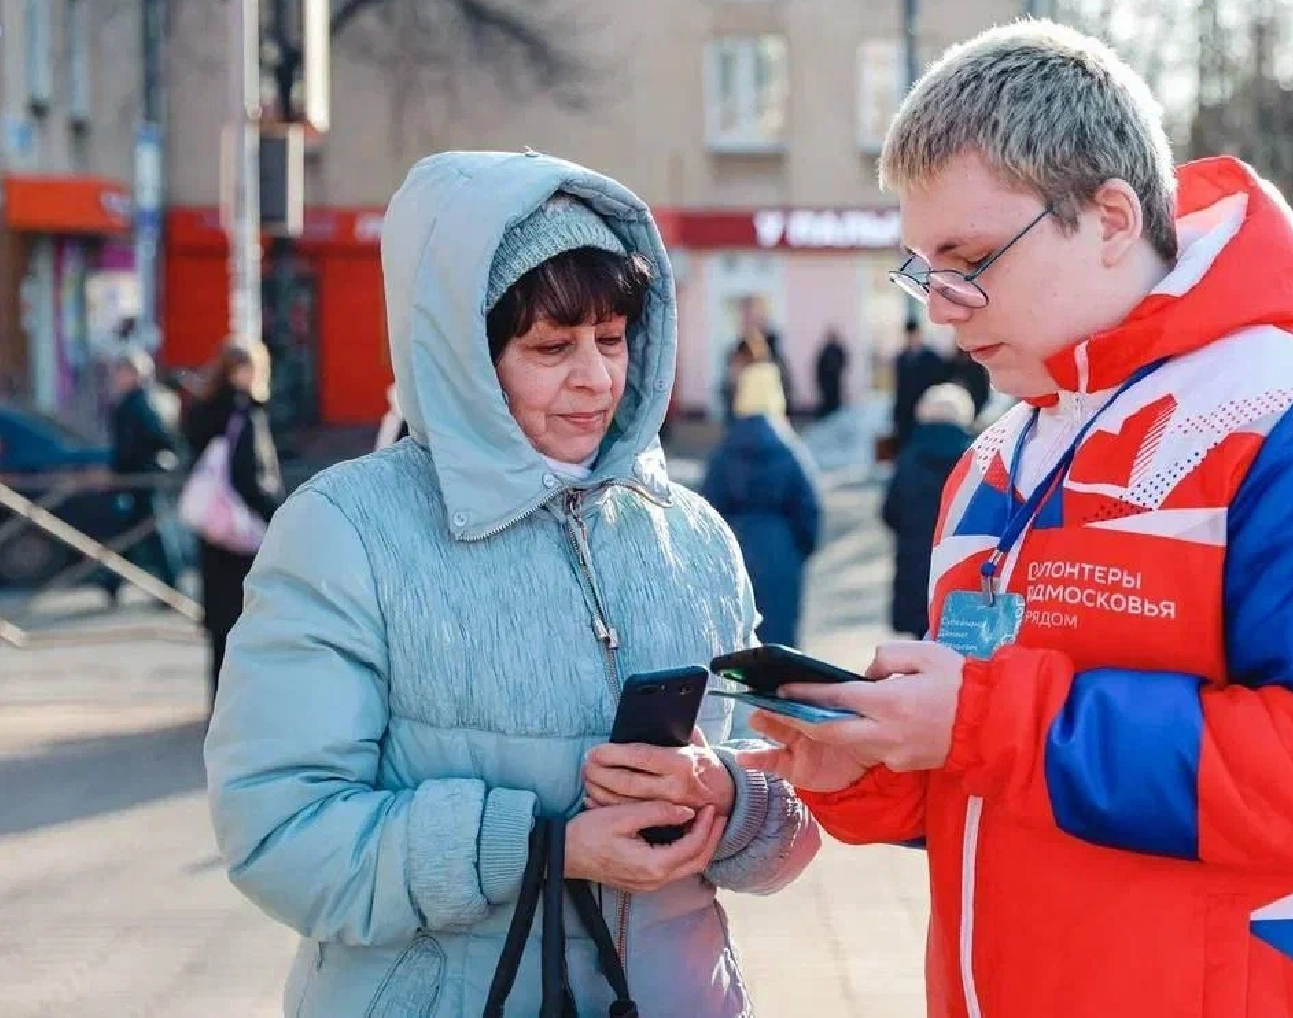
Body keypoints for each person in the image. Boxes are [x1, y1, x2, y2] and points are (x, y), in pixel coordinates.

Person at [738, 21, 1293, 1018]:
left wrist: (986, 719)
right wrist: (870, 767)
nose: (943, 306)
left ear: (1113, 217)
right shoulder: (997, 455)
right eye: (922, 269)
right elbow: (1004, 777)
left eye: (969, 258)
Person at [204, 151, 820, 1018]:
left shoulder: (692, 533)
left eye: (613, 340)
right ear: (462, 357)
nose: (597, 378)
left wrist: (725, 796)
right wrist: (544, 846)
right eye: (551, 347)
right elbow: (280, 836)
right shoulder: (347, 531)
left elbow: (790, 814)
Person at [181, 337, 281, 698]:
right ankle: (244, 709)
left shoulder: (203, 410)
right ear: (242, 371)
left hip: (213, 531)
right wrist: (277, 514)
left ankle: (219, 704)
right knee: (249, 620)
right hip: (243, 533)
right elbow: (250, 477)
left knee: (220, 629)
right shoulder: (244, 413)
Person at [702, 361, 822, 646]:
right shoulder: (791, 450)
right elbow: (810, 509)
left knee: (737, 641)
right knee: (781, 642)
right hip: (781, 551)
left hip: (734, 551)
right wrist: (795, 550)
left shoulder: (723, 452)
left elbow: (705, 511)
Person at [883, 382, 975, 638]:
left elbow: (890, 511)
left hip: (915, 564)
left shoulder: (909, 458)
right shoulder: (977, 458)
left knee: (919, 636)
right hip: (961, 569)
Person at [105, 348, 181, 595]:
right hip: (133, 478)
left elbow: (157, 440)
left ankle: (170, 584)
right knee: (131, 533)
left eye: (122, 372)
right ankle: (112, 583)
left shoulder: (142, 403)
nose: (117, 378)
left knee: (148, 533)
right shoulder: (131, 403)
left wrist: (134, 467)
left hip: (142, 478)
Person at [891, 318, 946, 449]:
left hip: (926, 408)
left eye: (914, 334)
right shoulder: (901, 358)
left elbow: (938, 384)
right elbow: (899, 387)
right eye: (909, 335)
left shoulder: (931, 357)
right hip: (905, 411)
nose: (912, 338)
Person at [814, 327, 849, 418]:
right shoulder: (825, 350)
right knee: (827, 401)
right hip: (826, 380)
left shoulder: (838, 349)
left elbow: (844, 361)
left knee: (835, 400)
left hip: (834, 379)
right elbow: (819, 365)